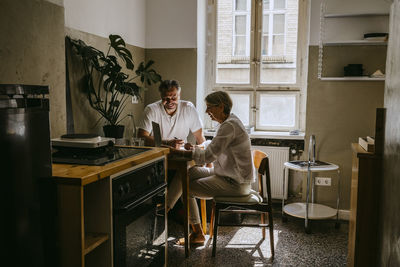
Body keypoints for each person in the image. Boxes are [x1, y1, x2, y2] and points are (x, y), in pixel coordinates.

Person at [167, 91, 254, 245]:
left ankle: (195, 231)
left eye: (209, 107)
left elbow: (210, 156)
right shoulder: (229, 122)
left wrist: (182, 151)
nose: (207, 112)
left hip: (235, 183)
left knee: (186, 187)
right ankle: (166, 208)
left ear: (221, 106)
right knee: (187, 171)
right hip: (228, 175)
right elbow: (213, 145)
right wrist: (195, 147)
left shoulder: (229, 126)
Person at [137, 79, 206, 148]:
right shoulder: (151, 109)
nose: (170, 101)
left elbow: (199, 137)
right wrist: (167, 143)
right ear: (161, 96)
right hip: (158, 153)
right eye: (166, 98)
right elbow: (142, 137)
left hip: (181, 153)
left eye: (173, 97)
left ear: (179, 95)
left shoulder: (188, 108)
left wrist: (205, 155)